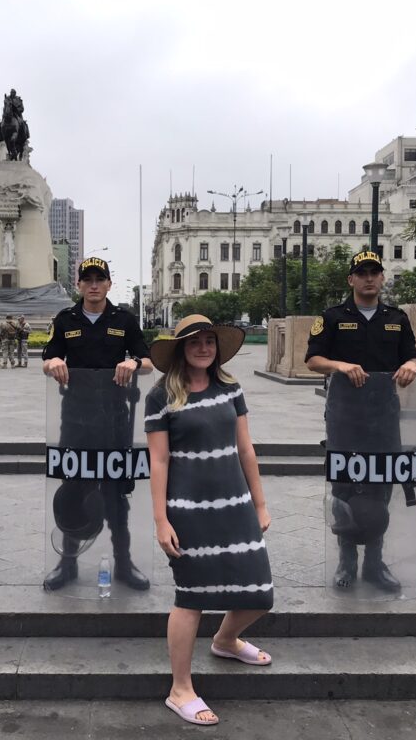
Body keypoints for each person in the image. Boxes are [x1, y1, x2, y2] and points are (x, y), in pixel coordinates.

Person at [145, 314, 273, 726]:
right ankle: (180, 688)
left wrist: (259, 503)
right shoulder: (161, 395)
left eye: (210, 341)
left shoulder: (230, 389)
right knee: (192, 597)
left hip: (234, 503)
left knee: (259, 591)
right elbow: (159, 460)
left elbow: (245, 450)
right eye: (195, 342)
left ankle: (226, 640)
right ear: (181, 348)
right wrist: (161, 519)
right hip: (189, 510)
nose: (203, 347)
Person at [305, 250, 416, 593]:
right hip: (345, 416)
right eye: (362, 272)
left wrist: (413, 365)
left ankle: (374, 562)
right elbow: (312, 359)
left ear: (382, 278)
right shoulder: (333, 317)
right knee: (343, 488)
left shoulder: (396, 319)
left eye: (375, 272)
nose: (369, 278)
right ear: (351, 279)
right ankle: (346, 560)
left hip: (383, 415)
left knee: (382, 486)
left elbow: (411, 354)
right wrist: (340, 366)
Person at [41, 256, 153, 591]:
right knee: (73, 488)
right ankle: (67, 563)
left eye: (99, 279)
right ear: (79, 285)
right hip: (76, 417)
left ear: (108, 284)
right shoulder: (65, 319)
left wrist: (133, 363)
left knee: (117, 494)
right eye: (87, 279)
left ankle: (124, 563)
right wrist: (55, 362)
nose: (93, 285)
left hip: (115, 418)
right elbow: (48, 358)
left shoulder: (124, 319)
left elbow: (148, 361)